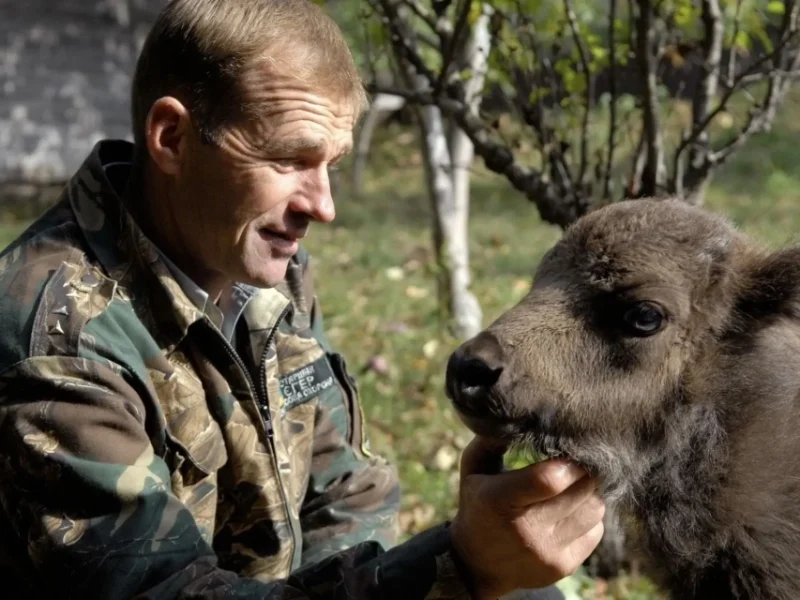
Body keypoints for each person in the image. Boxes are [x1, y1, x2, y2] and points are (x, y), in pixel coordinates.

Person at [0, 1, 605, 598]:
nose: (323, 205)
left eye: (331, 164)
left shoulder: (260, 270)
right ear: (173, 138)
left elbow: (345, 492)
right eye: (290, 159)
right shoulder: (59, 341)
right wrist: (461, 569)